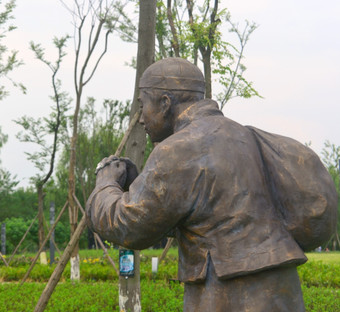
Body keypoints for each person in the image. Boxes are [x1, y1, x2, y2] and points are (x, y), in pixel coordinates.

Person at [86, 57, 336, 311]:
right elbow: (202, 215)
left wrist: (105, 186)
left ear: (164, 103)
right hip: (281, 287)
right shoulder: (244, 136)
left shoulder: (179, 149)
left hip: (228, 291)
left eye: (143, 105)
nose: (141, 119)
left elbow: (130, 225)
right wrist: (138, 185)